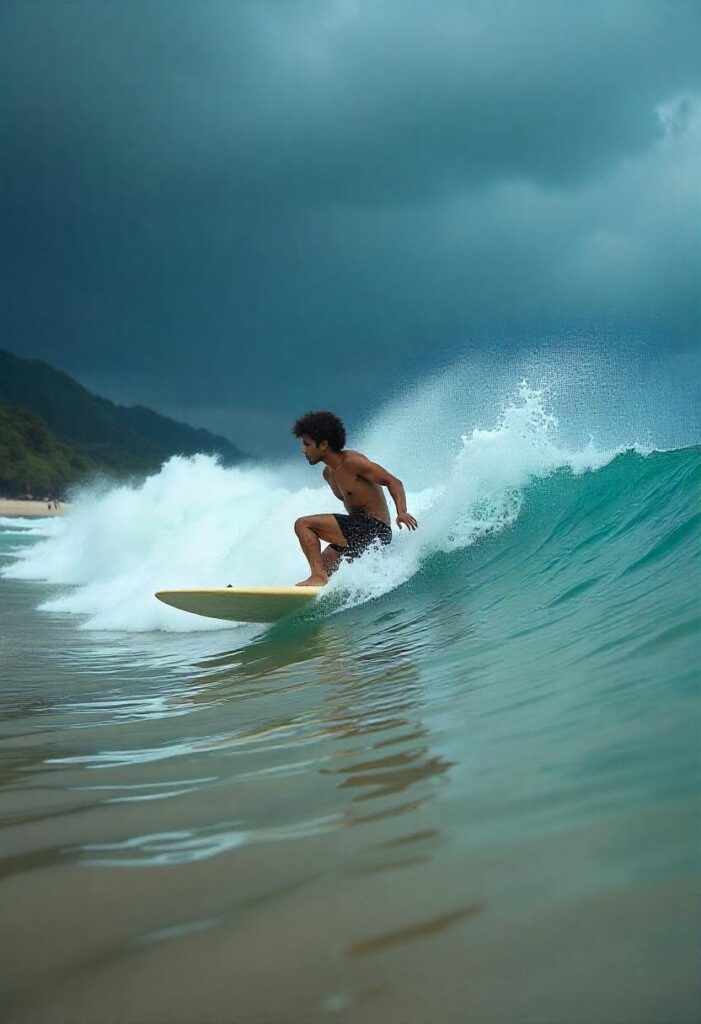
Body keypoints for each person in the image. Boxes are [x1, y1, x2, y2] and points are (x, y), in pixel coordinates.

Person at [292, 410, 418, 587]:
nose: (303, 450)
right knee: (324, 566)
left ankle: (318, 577)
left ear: (323, 444)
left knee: (303, 524)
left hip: (375, 529)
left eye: (307, 444)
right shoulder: (328, 474)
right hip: (358, 533)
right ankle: (321, 585)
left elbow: (393, 482)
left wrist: (402, 512)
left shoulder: (352, 462)